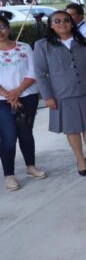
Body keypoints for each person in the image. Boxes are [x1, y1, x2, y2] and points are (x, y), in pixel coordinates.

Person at [33, 10, 86, 176]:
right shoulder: (42, 45)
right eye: (57, 21)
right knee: (72, 129)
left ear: (72, 23)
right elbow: (40, 74)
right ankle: (80, 160)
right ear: (51, 25)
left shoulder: (83, 41)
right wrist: (47, 96)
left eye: (66, 20)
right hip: (62, 94)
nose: (62, 24)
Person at [0, 15, 46, 191]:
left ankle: (30, 166)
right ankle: (9, 175)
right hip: (2, 100)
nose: (0, 31)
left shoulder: (24, 47)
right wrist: (9, 95)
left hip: (27, 96)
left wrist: (18, 91)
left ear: (8, 28)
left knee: (26, 133)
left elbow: (33, 72)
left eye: (2, 27)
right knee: (8, 137)